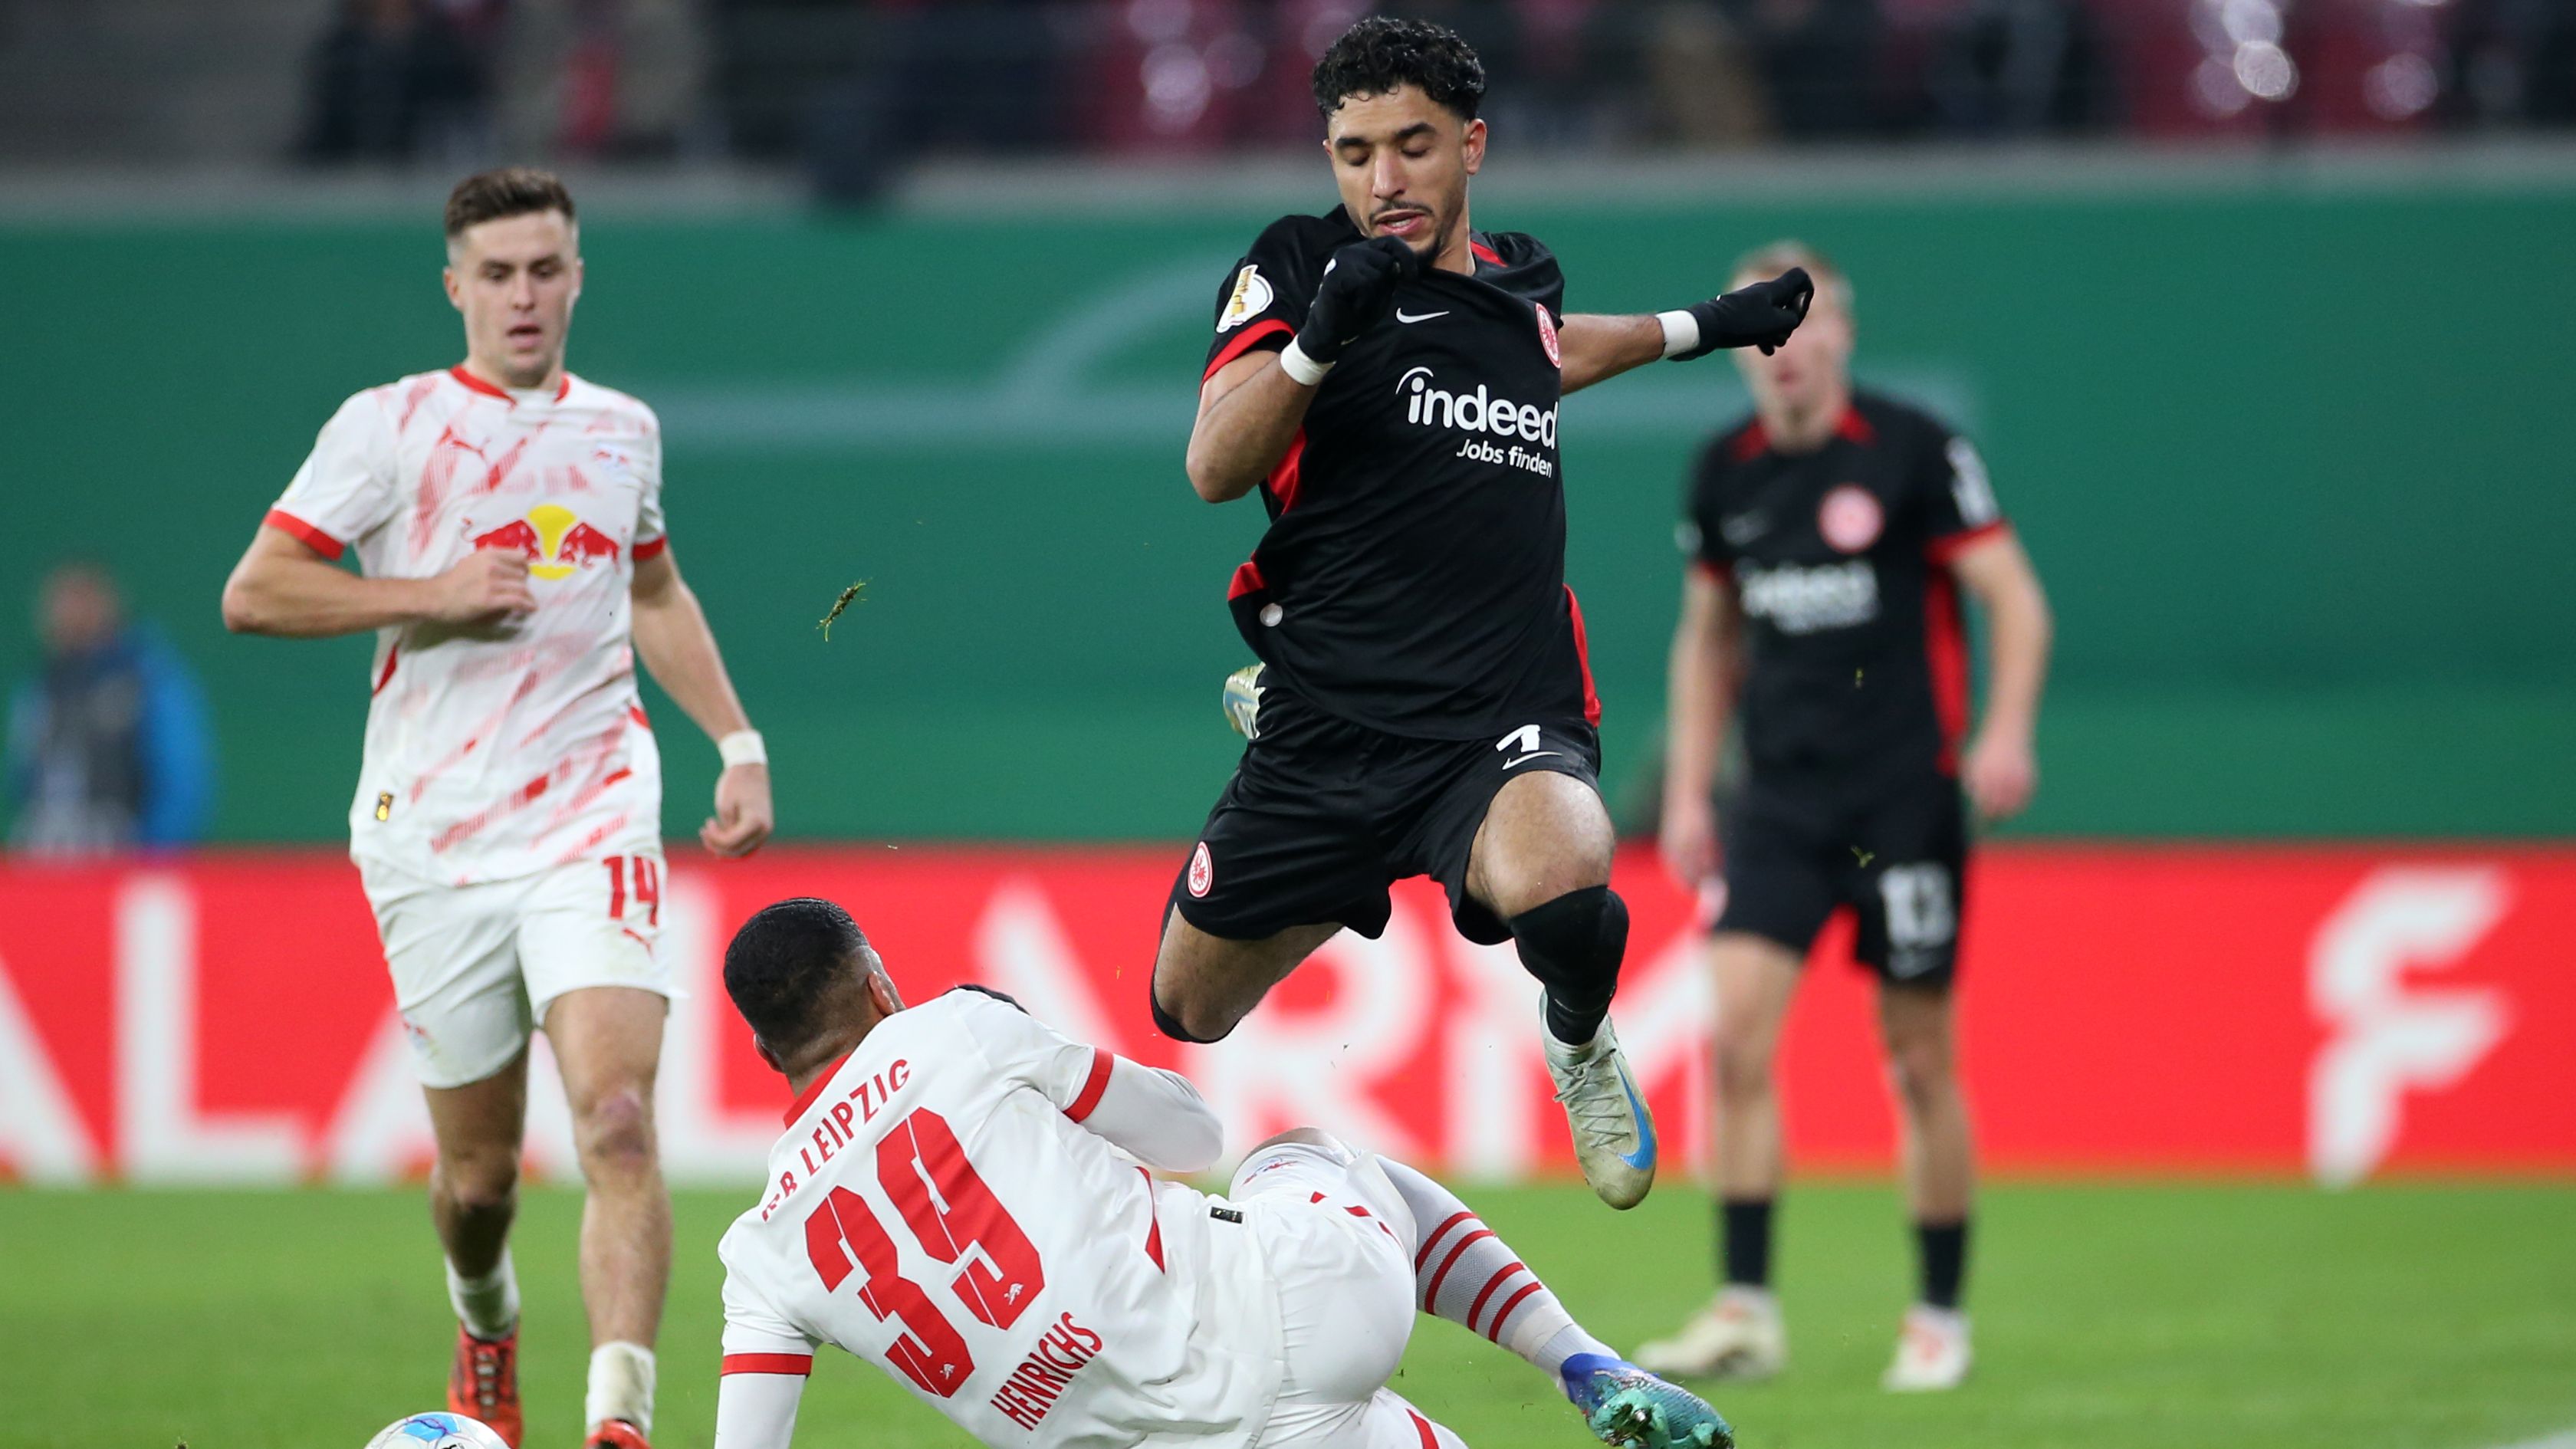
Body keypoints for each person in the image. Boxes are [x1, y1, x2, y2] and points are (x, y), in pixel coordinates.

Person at [1159, 15, 1815, 1211]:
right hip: (1333, 730)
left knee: (1568, 874)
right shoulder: (1299, 266)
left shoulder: (1521, 282)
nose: (1384, 180)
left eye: (1412, 146)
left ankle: (1580, 1036)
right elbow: (1213, 464)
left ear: (1473, 145)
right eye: (1355, 153)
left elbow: (1551, 351)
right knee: (1186, 1006)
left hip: (1498, 715)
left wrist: (1706, 325)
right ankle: (1339, 834)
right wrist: (1317, 344)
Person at [219, 167, 775, 1449]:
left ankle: (618, 1422)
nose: (524, 296)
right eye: (499, 273)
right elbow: (256, 592)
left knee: (621, 1122)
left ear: (577, 276)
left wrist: (736, 741)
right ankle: (486, 1324)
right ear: (455, 285)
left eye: (546, 269)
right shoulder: (390, 426)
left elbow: (652, 592)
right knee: (476, 1183)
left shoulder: (621, 430)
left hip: (594, 813)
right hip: (433, 836)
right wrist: (428, 591)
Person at [706, 895, 1735, 1449]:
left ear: (766, 1054)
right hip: (1293, 1304)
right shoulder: (949, 1030)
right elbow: (1193, 1137)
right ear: (882, 987)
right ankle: (1583, 1362)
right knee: (1301, 1155)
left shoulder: (759, 1256)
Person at [1634, 242, 2052, 1392]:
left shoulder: (1916, 451)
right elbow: (1708, 635)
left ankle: (1937, 1314)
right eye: (1764, 331)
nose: (1785, 350)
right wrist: (1686, 787)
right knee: (1738, 1039)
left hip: (1902, 799)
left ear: (1841, 337)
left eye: (1803, 323)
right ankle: (1747, 1307)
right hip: (1777, 802)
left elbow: (2014, 600)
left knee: (1917, 1060)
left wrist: (2004, 733)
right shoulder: (1725, 474)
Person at [5, 561, 215, 855]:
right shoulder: (42, 686)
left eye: (80, 600)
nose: (68, 614)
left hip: (120, 854)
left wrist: (153, 859)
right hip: (47, 854)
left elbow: (181, 780)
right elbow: (24, 777)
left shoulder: (146, 678)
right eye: (61, 602)